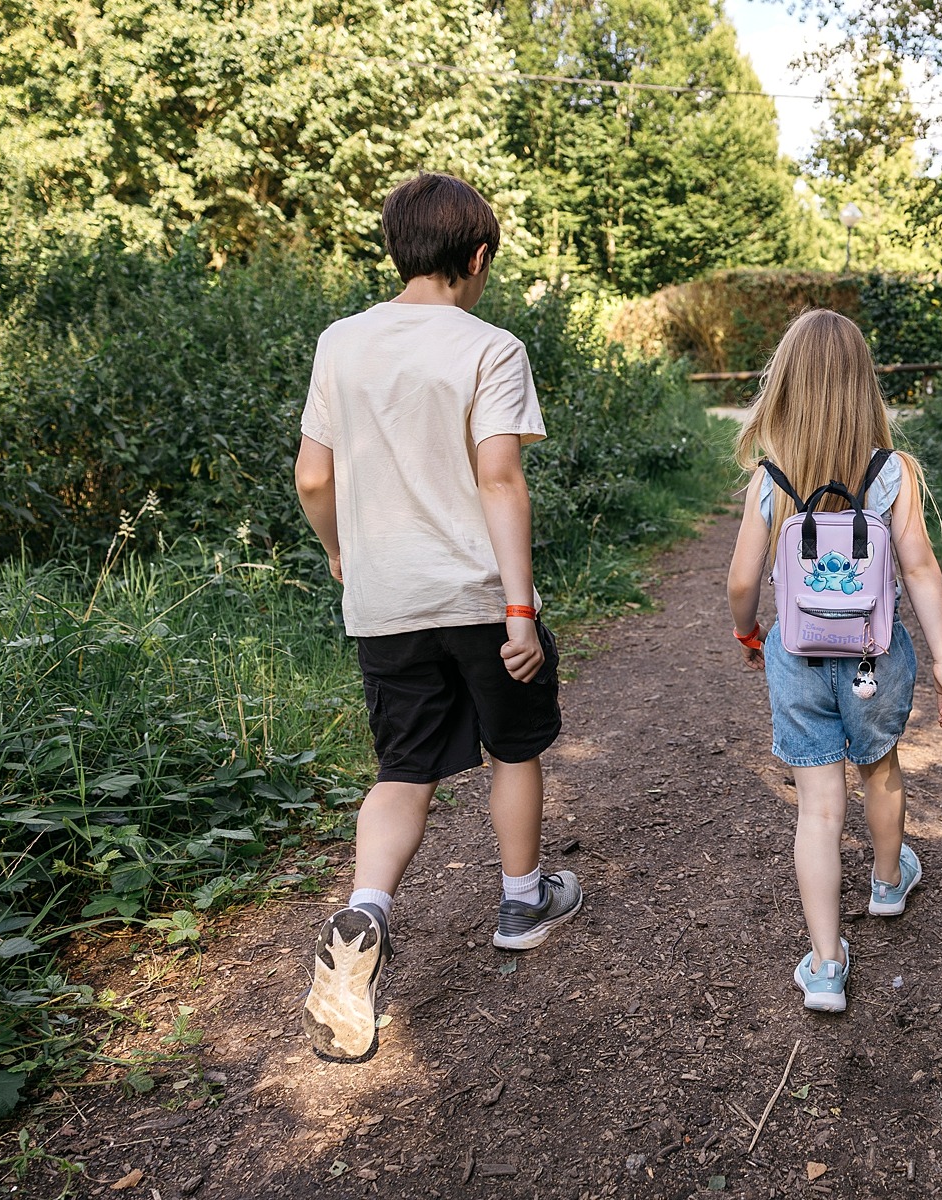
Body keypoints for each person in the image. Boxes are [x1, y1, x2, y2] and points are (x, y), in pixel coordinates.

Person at [293, 172, 582, 1063]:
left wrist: (343, 552)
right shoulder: (491, 347)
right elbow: (500, 478)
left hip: (384, 603)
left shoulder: (341, 342)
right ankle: (522, 900)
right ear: (479, 256)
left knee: (403, 767)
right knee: (515, 746)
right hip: (475, 598)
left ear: (396, 249)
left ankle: (366, 910)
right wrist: (520, 609)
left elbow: (312, 476)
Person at [725, 309, 942, 1014]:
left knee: (819, 810)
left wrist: (749, 632)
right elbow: (920, 570)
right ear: (865, 386)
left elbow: (741, 582)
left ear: (786, 385)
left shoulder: (771, 479)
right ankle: (888, 882)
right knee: (880, 767)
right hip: (874, 653)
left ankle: (826, 964)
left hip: (796, 656)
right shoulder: (893, 473)